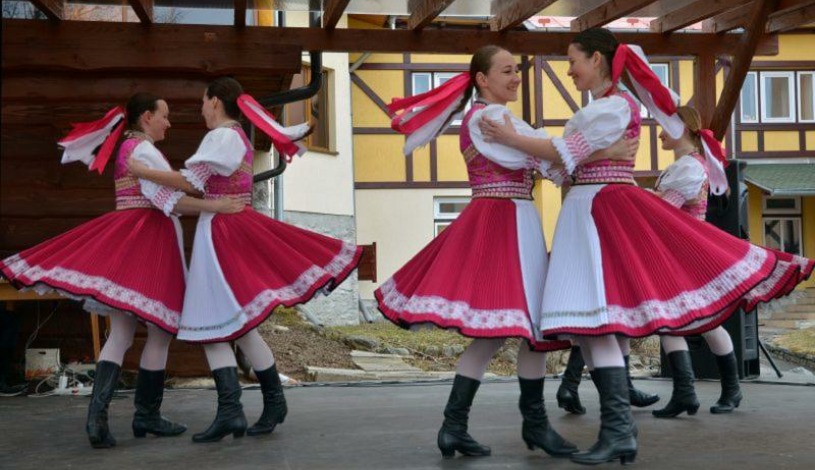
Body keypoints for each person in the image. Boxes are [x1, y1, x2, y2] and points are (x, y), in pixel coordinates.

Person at [479, 28, 810, 465]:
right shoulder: (604, 107)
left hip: (600, 210)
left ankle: (619, 428)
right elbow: (566, 161)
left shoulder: (615, 105)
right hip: (587, 208)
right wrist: (578, 155)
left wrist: (513, 140)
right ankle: (619, 428)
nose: (569, 69)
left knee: (597, 319)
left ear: (597, 60)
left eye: (573, 60)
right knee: (590, 323)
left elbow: (566, 152)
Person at [377, 45, 636, 460]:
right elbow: (551, 160)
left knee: (505, 332)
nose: (516, 77)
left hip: (507, 215)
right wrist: (606, 152)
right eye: (507, 71)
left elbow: (549, 156)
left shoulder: (490, 117)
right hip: (507, 220)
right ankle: (523, 424)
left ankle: (462, 426)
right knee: (527, 326)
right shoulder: (491, 118)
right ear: (482, 79)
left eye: (517, 70)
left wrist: (573, 153)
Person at [0, 92, 244, 448]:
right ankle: (145, 414)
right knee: (159, 332)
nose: (168, 123)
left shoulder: (130, 148)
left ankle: (99, 419)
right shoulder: (142, 150)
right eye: (164, 116)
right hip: (148, 246)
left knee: (121, 335)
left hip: (130, 242)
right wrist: (216, 205)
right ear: (146, 117)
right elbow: (170, 199)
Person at [129, 77, 362, 443]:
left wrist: (142, 172)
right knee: (236, 327)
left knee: (211, 322)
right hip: (228, 228)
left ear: (215, 101)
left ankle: (234, 410)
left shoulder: (222, 136)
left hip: (221, 233)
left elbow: (191, 182)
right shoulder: (236, 136)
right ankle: (267, 403)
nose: (202, 109)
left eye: (203, 102)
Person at [652, 106, 815, 418]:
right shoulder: (681, 166)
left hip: (687, 254)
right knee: (671, 321)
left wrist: (635, 197)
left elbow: (665, 211)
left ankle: (726, 388)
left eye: (665, 127)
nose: (659, 133)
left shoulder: (690, 167)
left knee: (702, 322)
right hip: (673, 253)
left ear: (682, 129)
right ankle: (688, 392)